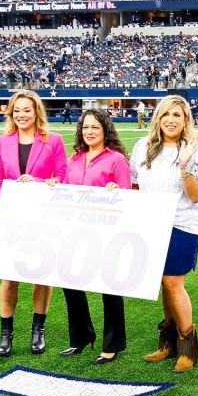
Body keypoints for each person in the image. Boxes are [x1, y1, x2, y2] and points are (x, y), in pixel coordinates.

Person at [134, 95, 198, 373]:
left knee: (172, 283)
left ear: (186, 120)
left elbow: (195, 195)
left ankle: (188, 346)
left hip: (182, 224)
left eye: (177, 115)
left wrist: (184, 165)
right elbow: (134, 186)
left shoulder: (197, 149)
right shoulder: (142, 146)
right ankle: (168, 344)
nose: (171, 120)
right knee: (162, 284)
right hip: (151, 223)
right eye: (166, 114)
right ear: (158, 117)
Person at [0, 90, 68, 358]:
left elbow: (62, 177)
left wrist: (40, 183)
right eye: (17, 110)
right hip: (12, 217)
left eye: (27, 110)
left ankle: (38, 330)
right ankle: (6, 333)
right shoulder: (3, 141)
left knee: (41, 275)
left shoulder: (53, 140)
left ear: (37, 113)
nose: (21, 115)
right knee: (8, 276)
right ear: (11, 113)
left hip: (44, 217)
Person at [49, 109, 132, 363]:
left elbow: (128, 195)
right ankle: (81, 338)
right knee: (71, 284)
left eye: (95, 127)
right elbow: (65, 190)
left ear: (105, 129)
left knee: (109, 288)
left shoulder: (116, 159)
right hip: (75, 232)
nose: (89, 132)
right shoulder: (74, 159)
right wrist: (54, 185)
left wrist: (116, 190)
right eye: (85, 127)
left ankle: (112, 344)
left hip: (106, 232)